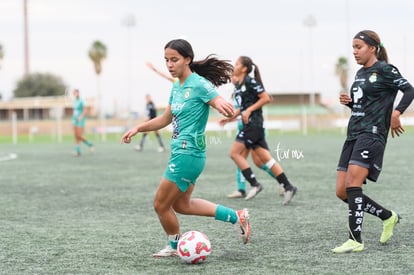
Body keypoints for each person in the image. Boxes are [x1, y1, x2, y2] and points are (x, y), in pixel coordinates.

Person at [121, 39, 251, 257]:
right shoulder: (176, 86)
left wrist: (222, 105)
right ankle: (237, 216)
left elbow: (216, 99)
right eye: (166, 60)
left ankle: (174, 247)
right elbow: (164, 119)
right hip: (184, 154)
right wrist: (138, 128)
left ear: (187, 59)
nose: (169, 65)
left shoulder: (199, 84)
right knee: (182, 205)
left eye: (174, 60)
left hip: (187, 154)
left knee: (160, 205)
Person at [332, 30, 414, 253]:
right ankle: (388, 217)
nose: (355, 52)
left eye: (358, 47)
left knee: (352, 184)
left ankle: (355, 240)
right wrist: (350, 103)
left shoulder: (386, 69)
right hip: (354, 134)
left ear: (372, 48)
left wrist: (396, 113)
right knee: (341, 191)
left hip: (373, 133)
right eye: (353, 48)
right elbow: (365, 106)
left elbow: (409, 90)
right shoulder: (359, 74)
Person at [226, 56, 298, 205]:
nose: (235, 65)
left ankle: (254, 184)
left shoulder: (250, 82)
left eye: (237, 63)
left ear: (244, 68)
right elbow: (243, 107)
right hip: (251, 126)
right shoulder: (239, 85)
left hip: (253, 125)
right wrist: (231, 117)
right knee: (265, 160)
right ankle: (288, 186)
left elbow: (265, 98)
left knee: (235, 153)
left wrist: (249, 111)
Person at [219, 76, 285, 198]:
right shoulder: (237, 92)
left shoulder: (248, 87)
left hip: (252, 130)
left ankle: (282, 183)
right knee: (241, 158)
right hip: (244, 130)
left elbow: (264, 99)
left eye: (234, 75)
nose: (232, 78)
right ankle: (242, 189)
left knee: (258, 162)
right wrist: (229, 119)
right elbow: (239, 110)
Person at [72, 89, 94, 156]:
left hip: (80, 120)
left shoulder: (82, 100)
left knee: (79, 135)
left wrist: (81, 117)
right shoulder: (74, 101)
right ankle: (78, 151)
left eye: (77, 93)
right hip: (74, 119)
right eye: (74, 93)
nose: (76, 94)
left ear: (78, 93)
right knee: (76, 136)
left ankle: (90, 144)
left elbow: (85, 110)